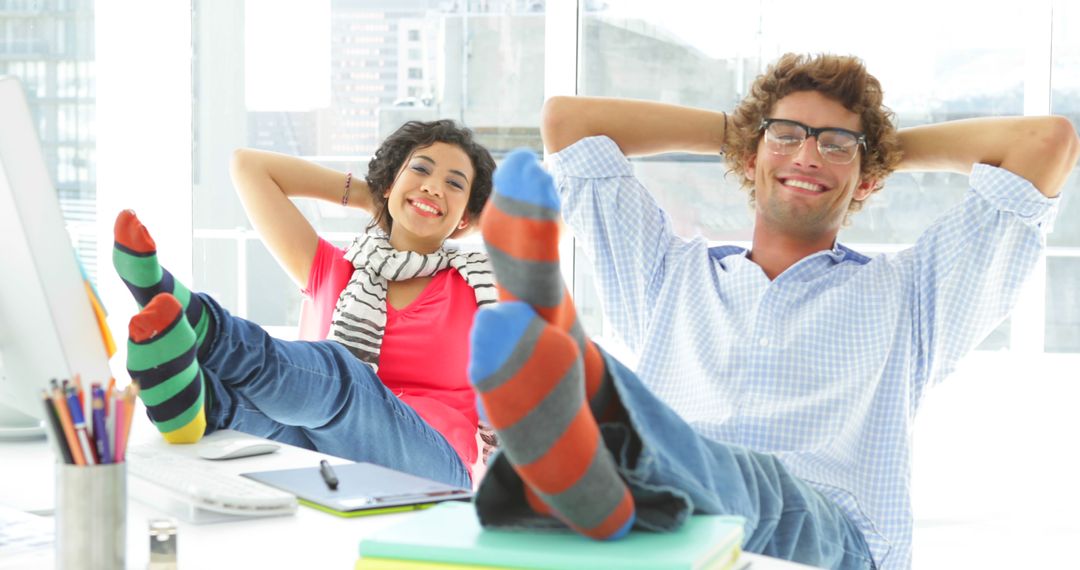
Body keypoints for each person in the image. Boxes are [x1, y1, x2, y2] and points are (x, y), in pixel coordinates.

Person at [461, 53, 1079, 569]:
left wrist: (874, 150)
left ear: (866, 180)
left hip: (823, 536)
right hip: (680, 522)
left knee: (721, 468)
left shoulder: (913, 293)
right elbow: (568, 121)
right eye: (787, 138)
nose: (808, 158)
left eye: (836, 145)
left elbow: (1046, 142)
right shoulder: (668, 274)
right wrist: (760, 134)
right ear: (749, 157)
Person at [113, 120, 497, 488]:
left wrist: (451, 212)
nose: (432, 187)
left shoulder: (480, 286)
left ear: (467, 217)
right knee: (273, 423)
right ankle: (196, 407)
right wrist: (369, 195)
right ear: (390, 184)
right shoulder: (335, 269)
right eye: (420, 170)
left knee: (344, 377)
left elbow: (537, 230)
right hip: (326, 459)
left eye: (454, 184)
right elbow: (249, 166)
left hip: (435, 467)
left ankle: (199, 321)